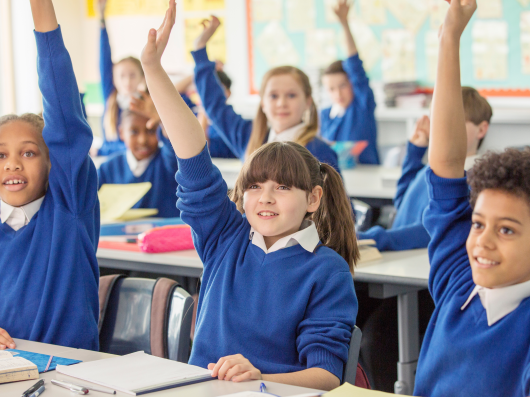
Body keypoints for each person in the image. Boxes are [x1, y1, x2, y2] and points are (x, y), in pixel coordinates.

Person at [140, 2, 358, 390]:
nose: (266, 198)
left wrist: (259, 375)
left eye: (283, 187)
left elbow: (325, 377)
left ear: (314, 198)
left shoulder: (327, 270)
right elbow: (192, 154)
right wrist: (153, 70)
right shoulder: (226, 237)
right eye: (254, 187)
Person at [415, 0, 530, 395]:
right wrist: (450, 36)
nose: (482, 240)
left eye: (508, 231)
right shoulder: (458, 280)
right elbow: (446, 162)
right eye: (479, 224)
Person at [0, 0, 99, 350]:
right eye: (1, 155)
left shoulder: (69, 207)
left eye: (28, 153)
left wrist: (41, 12)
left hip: (70, 374)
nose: (12, 164)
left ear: (53, 162)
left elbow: (64, 110)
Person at [191, 16, 340, 172]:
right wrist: (200, 48)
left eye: (291, 95)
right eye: (273, 96)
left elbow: (335, 197)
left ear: (308, 102)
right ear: (263, 103)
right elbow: (215, 106)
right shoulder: (250, 137)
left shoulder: (320, 152)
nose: (281, 103)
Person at [357, 87, 492, 251]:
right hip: (399, 254)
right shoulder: (432, 167)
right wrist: (414, 153)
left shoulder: (474, 179)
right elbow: (402, 203)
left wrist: (377, 238)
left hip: (415, 258)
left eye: (455, 122)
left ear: (482, 129)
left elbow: (432, 230)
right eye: (438, 121)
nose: (442, 129)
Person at [320, 0, 379, 165]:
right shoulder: (325, 115)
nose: (337, 94)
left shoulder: (362, 106)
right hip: (334, 183)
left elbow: (355, 65)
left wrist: (344, 24)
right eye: (331, 89)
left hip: (367, 181)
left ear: (352, 83)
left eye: (343, 85)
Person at [97, 103, 180, 218]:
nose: (142, 140)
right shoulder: (107, 169)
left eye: (151, 131)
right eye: (134, 132)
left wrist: (163, 121)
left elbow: (174, 144)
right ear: (121, 133)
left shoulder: (168, 162)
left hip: (163, 233)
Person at [97, 0, 146, 156]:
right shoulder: (111, 99)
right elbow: (104, 62)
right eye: (122, 76)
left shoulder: (146, 103)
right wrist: (101, 20)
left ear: (141, 77)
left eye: (132, 75)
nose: (127, 81)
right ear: (114, 79)